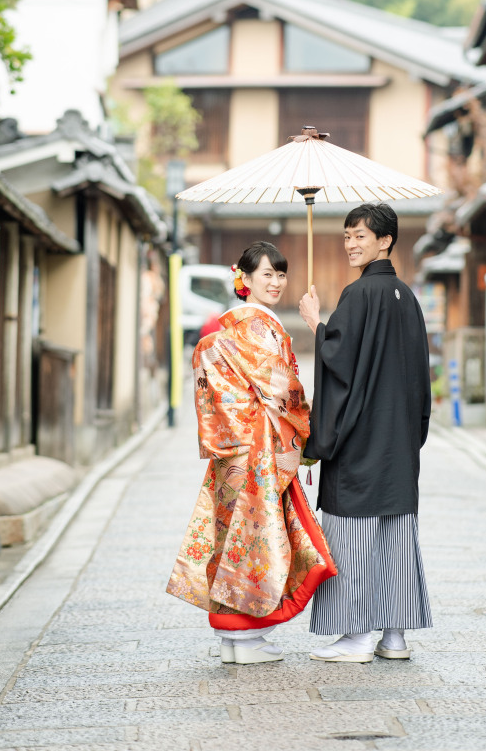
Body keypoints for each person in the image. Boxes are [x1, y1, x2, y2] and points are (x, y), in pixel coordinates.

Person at [167, 240, 336, 665]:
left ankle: (235, 639)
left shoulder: (230, 327)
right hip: (261, 449)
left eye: (281, 274)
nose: (277, 282)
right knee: (257, 541)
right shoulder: (260, 327)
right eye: (267, 275)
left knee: (233, 538)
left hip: (234, 451)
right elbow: (284, 393)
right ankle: (244, 638)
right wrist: (302, 433)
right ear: (243, 278)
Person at [299, 202, 433, 664]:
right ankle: (393, 637)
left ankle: (356, 636)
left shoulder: (358, 296)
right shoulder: (406, 297)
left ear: (385, 240)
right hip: (397, 441)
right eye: (347, 235)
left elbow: (340, 363)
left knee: (353, 536)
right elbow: (420, 374)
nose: (352, 243)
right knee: (396, 537)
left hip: (360, 440)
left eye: (361, 235)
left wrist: (317, 322)